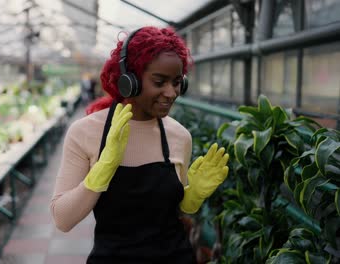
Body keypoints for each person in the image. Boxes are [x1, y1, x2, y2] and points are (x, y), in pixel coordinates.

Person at [50, 26, 229, 263]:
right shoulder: (86, 132)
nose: (171, 92)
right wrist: (102, 169)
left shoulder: (179, 136)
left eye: (177, 82)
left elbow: (173, 211)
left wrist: (192, 197)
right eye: (159, 81)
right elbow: (63, 220)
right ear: (129, 81)